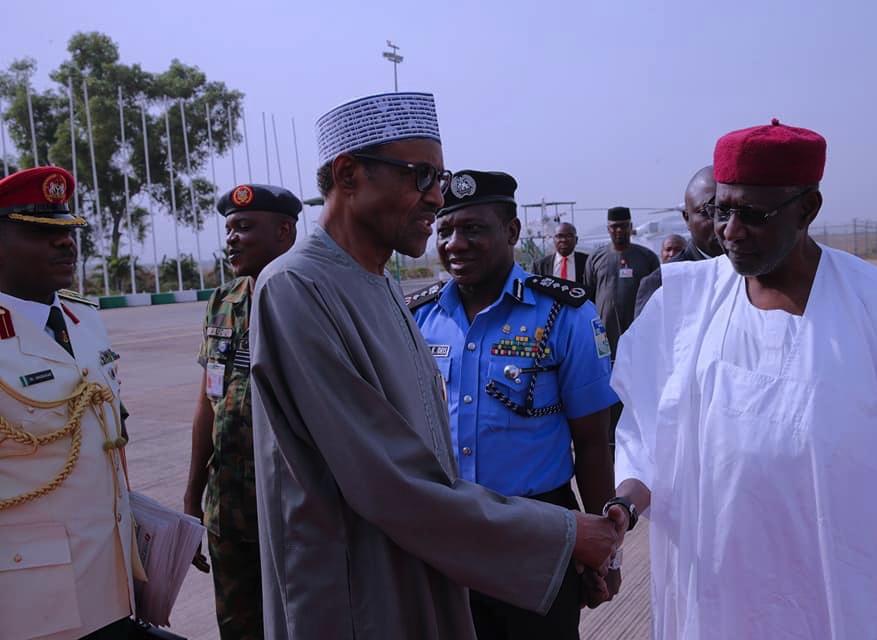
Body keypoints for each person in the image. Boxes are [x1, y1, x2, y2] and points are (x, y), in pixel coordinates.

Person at [248, 92, 620, 640]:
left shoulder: (382, 284)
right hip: (358, 590)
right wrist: (564, 535)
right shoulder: (296, 288)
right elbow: (388, 479)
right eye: (421, 176)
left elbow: (589, 436)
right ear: (349, 175)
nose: (436, 199)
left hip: (435, 560)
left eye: (438, 179)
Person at [608, 119, 877, 639]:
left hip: (846, 591)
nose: (730, 232)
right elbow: (647, 435)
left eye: (752, 214)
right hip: (720, 594)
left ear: (808, 209)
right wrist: (623, 507)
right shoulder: (685, 307)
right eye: (721, 211)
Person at [411, 170, 620, 639]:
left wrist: (606, 552)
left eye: (473, 229)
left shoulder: (563, 314)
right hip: (443, 530)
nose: (455, 243)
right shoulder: (419, 318)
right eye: (445, 231)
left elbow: (591, 443)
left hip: (538, 530)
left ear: (511, 231)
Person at [0, 167, 136, 640]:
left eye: (67, 231)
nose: (64, 244)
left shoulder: (84, 317)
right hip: (30, 596)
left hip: (112, 577)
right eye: (41, 233)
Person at [183, 184, 300, 640]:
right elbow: (207, 401)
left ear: (284, 233)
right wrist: (193, 499)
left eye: (245, 228)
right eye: (229, 228)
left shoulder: (307, 299)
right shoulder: (223, 302)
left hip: (293, 510)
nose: (231, 238)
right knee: (238, 627)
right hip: (229, 509)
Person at [634, 166, 724, 316]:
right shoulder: (662, 283)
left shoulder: (753, 270)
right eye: (709, 212)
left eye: (727, 211)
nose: (721, 223)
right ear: (687, 218)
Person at [583, 206, 659, 359]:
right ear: (608, 229)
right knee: (606, 372)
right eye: (614, 226)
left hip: (639, 330)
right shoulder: (596, 258)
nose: (619, 230)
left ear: (630, 227)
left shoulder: (647, 257)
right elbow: (588, 296)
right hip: (604, 332)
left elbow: (657, 297)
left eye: (623, 226)